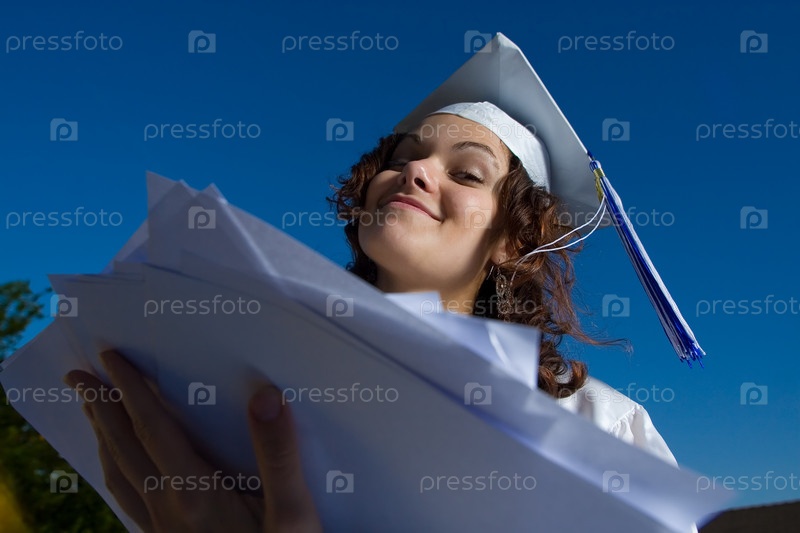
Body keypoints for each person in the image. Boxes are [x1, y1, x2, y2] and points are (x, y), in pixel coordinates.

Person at [64, 33, 688, 531]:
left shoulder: (596, 426)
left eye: (467, 174)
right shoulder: (248, 375)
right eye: (403, 157)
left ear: (513, 242)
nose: (415, 171)